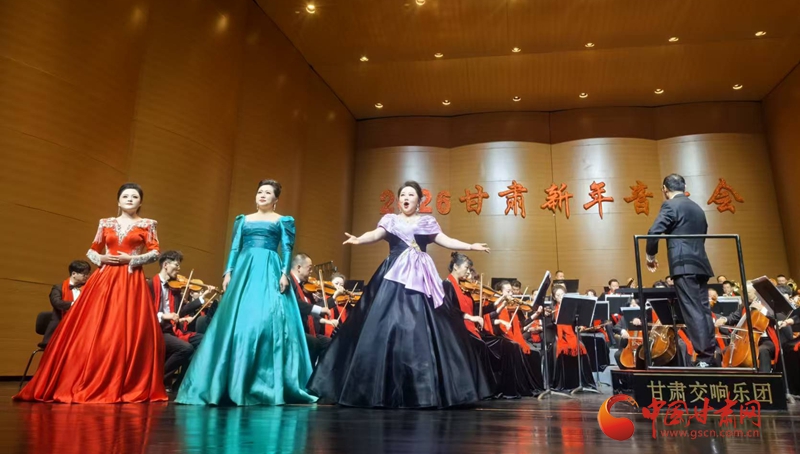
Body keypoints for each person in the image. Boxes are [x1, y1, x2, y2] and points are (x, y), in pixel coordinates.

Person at [308, 180, 493, 408]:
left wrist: (471, 246)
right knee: (383, 325)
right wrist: (359, 239)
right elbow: (375, 234)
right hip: (393, 276)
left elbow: (445, 240)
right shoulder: (390, 220)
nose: (406, 198)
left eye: (411, 195)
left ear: (419, 201)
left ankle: (425, 390)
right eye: (403, 195)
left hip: (420, 279)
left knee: (423, 329)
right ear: (399, 200)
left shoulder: (427, 222)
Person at [15, 183, 166, 403]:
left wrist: (131, 259)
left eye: (135, 196)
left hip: (131, 279)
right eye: (125, 196)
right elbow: (92, 250)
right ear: (118, 200)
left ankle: (120, 380)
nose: (130, 199)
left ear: (140, 202)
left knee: (124, 327)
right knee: (93, 325)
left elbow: (155, 253)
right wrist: (101, 258)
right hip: (104, 278)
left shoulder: (148, 224)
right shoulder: (105, 223)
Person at [175, 179, 316, 406]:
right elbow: (234, 248)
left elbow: (287, 249)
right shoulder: (243, 220)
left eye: (267, 192)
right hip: (244, 268)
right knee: (237, 322)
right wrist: (228, 272)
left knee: (267, 321)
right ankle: (227, 381)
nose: (262, 195)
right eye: (260, 191)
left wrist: (283, 273)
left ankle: (264, 382)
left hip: (269, 268)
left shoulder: (283, 221)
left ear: (276, 199)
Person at [645, 173, 716, 367]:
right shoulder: (697, 208)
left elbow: (654, 231)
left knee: (692, 311)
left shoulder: (670, 205)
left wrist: (650, 256)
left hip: (683, 265)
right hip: (701, 263)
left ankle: (704, 358)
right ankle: (709, 355)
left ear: (664, 189)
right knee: (703, 310)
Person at [147, 250, 210, 392]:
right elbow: (144, 312)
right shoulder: (150, 285)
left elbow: (180, 310)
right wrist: (164, 316)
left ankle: (181, 383)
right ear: (166, 265)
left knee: (205, 341)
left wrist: (201, 299)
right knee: (185, 348)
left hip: (173, 330)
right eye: (176, 265)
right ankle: (157, 380)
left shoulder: (174, 289)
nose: (179, 269)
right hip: (157, 330)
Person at [289, 253, 335, 365]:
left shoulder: (303, 286)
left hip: (307, 329)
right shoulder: (290, 280)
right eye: (309, 268)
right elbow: (296, 303)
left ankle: (320, 373)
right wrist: (320, 309)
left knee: (330, 343)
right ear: (299, 268)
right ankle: (309, 372)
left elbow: (310, 307)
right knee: (314, 343)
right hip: (293, 328)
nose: (311, 272)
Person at [42, 260, 92, 346]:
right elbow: (56, 303)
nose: (87, 276)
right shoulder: (58, 288)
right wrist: (74, 304)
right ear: (74, 274)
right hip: (60, 328)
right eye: (84, 274)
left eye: (88, 274)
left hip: (81, 328)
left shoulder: (89, 289)